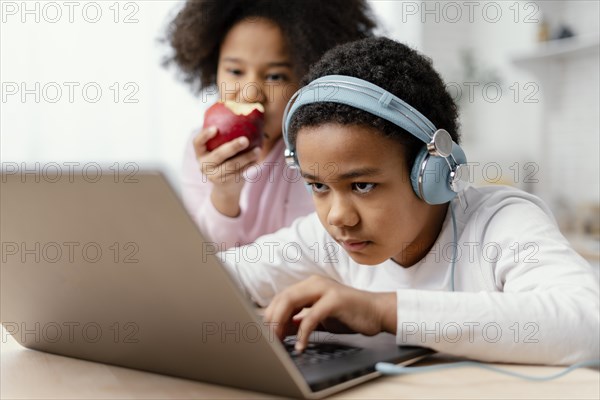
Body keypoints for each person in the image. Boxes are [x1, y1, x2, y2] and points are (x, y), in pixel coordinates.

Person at [217, 37, 599, 365]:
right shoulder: (324, 240)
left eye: (363, 185)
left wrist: (381, 311)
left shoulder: (501, 224)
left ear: (431, 173)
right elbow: (215, 280)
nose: (338, 217)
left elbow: (586, 325)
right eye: (318, 186)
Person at [164, 0, 377, 249]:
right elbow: (205, 261)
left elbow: (311, 255)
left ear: (309, 76)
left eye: (275, 77)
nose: (251, 93)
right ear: (213, 68)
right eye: (235, 71)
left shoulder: (317, 155)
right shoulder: (200, 149)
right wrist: (224, 194)